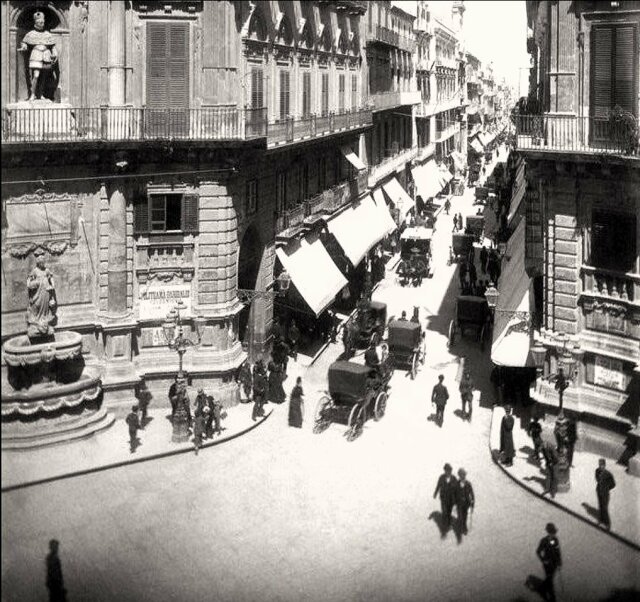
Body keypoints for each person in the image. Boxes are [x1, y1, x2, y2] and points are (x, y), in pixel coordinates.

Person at [19, 11, 59, 101]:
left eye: (43, 22)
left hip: (46, 55)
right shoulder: (31, 34)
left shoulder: (47, 34)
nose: (42, 24)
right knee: (36, 75)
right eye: (40, 22)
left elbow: (53, 46)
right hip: (36, 54)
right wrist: (24, 46)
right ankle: (32, 94)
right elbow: (24, 42)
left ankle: (40, 94)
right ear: (35, 23)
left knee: (43, 77)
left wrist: (55, 53)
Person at [26, 247, 57, 339]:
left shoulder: (46, 270)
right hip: (37, 293)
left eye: (43, 262)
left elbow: (51, 278)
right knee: (37, 305)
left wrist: (52, 286)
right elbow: (28, 280)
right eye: (40, 262)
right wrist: (30, 285)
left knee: (45, 307)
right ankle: (37, 321)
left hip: (46, 292)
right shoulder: (35, 271)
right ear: (38, 262)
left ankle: (44, 320)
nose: (42, 264)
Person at [536, 523, 562, 602]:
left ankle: (544, 590)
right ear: (549, 532)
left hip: (553, 564)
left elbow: (557, 551)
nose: (553, 533)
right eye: (552, 532)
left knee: (550, 579)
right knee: (549, 579)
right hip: (547, 563)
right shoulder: (544, 540)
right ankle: (550, 596)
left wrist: (559, 561)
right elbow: (538, 551)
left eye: (553, 532)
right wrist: (543, 560)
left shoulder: (555, 540)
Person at [433, 463, 458, 533]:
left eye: (450, 470)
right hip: (443, 498)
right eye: (447, 470)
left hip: (450, 499)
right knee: (444, 511)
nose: (449, 472)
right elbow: (438, 485)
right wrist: (435, 493)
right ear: (445, 471)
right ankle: (444, 524)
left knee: (449, 511)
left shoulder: (453, 478)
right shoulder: (441, 477)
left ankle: (448, 524)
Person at [595, 458, 616, 530]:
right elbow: (597, 479)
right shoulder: (597, 471)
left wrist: (606, 488)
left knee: (605, 508)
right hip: (599, 491)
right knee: (600, 506)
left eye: (602, 465)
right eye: (599, 465)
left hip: (605, 493)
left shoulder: (608, 474)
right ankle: (601, 520)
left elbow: (613, 484)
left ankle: (608, 523)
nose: (600, 466)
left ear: (605, 465)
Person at [456, 468, 475, 535]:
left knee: (465, 516)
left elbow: (472, 495)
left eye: (464, 475)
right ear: (459, 475)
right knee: (460, 515)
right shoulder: (456, 484)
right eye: (461, 475)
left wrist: (472, 505)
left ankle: (464, 526)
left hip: (466, 503)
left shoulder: (468, 484)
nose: (463, 476)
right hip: (459, 503)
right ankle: (462, 526)